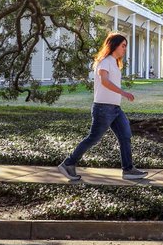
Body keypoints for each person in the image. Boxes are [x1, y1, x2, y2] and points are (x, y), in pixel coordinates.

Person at [58, 32, 148, 181]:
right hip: (103, 108)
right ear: (114, 46)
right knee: (93, 138)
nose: (125, 49)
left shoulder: (114, 62)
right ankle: (68, 163)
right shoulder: (104, 61)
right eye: (123, 46)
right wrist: (123, 93)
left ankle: (128, 170)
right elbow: (104, 81)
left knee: (125, 136)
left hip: (115, 109)